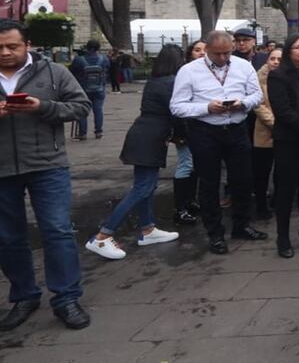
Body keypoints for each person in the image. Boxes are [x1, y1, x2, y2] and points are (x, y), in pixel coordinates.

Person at [0, 19, 92, 330]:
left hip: (47, 165)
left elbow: (81, 107)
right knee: (8, 237)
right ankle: (24, 295)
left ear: (27, 45)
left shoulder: (54, 72)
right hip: (2, 170)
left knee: (58, 231)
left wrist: (43, 107)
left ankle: (66, 298)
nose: (5, 52)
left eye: (12, 46)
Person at [169, 30, 267, 255]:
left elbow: (257, 96)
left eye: (227, 53)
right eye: (217, 54)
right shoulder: (189, 71)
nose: (223, 58)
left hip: (236, 128)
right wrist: (206, 107)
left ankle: (241, 225)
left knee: (242, 179)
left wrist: (242, 103)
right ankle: (215, 233)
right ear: (207, 50)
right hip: (205, 130)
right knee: (209, 183)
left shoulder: (243, 66)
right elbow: (177, 106)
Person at [84, 45, 185, 261]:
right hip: (150, 138)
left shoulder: (157, 80)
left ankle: (147, 229)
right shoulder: (170, 83)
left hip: (144, 135)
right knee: (142, 187)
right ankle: (103, 236)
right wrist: (183, 134)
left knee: (147, 185)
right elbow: (178, 111)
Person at [268, 34, 299, 259]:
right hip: (288, 139)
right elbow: (282, 110)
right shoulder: (278, 75)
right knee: (286, 190)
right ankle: (283, 237)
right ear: (289, 51)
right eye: (298, 47)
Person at [173, 40, 208, 225]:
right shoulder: (184, 73)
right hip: (186, 130)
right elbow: (177, 107)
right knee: (186, 165)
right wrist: (179, 134)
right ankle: (181, 208)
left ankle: (191, 201)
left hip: (202, 130)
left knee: (195, 166)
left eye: (205, 50)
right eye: (197, 50)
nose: (202, 53)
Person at [252, 47, 282, 221]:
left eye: (280, 59)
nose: (276, 62)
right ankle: (261, 205)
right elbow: (258, 105)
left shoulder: (286, 78)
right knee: (262, 172)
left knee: (281, 171)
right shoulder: (259, 78)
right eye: (273, 59)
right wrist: (275, 123)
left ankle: (277, 202)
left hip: (284, 133)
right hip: (264, 132)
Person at [69, 39, 109, 140]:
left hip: (83, 88)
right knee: (98, 109)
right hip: (99, 88)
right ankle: (98, 132)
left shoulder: (79, 60)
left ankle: (82, 133)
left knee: (82, 110)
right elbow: (107, 69)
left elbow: (71, 72)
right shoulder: (103, 59)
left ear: (87, 47)